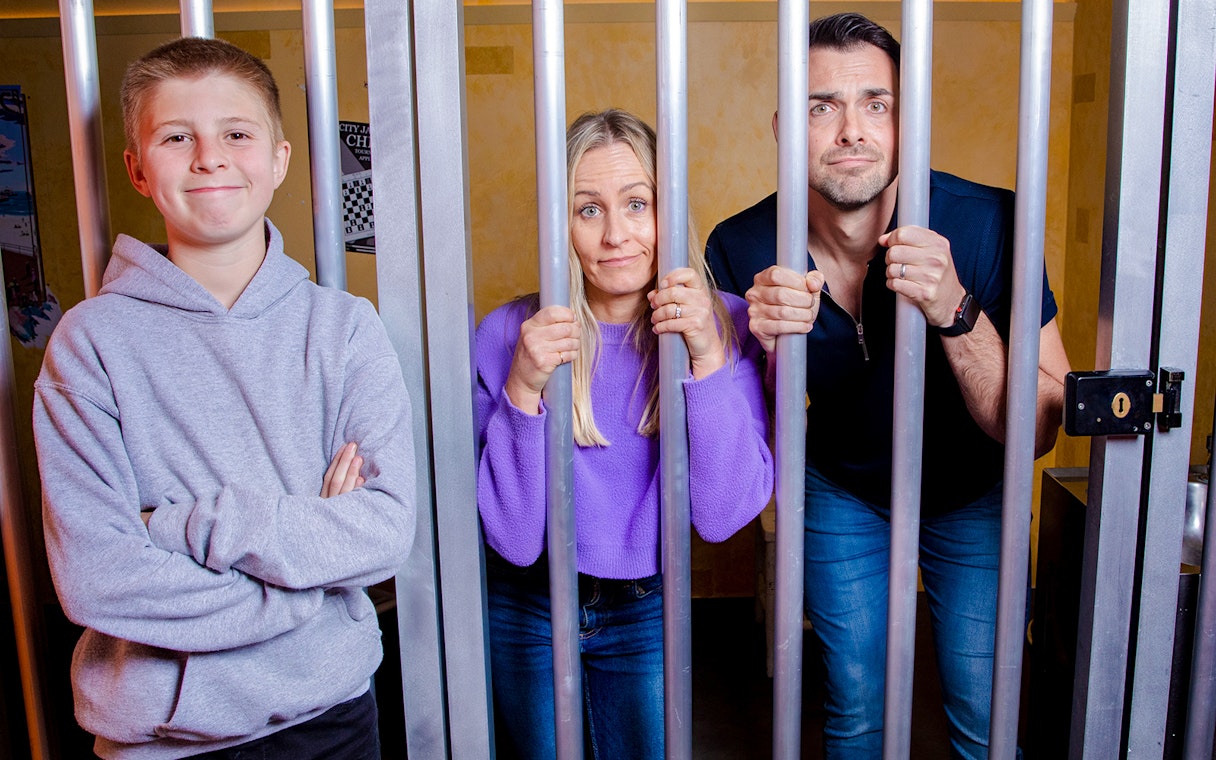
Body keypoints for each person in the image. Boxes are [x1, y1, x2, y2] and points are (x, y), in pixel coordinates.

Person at [32, 37, 415, 760]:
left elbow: (384, 531)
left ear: (278, 159)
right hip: (163, 741)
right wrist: (306, 583)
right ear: (137, 170)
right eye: (178, 137)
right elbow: (97, 580)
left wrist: (175, 527)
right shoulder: (89, 345)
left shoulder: (344, 328)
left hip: (330, 717)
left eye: (236, 134)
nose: (210, 157)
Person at [705, 13, 1071, 759]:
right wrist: (764, 351)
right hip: (839, 486)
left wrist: (956, 310)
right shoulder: (739, 245)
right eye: (821, 106)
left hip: (974, 488)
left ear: (910, 124)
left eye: (877, 104)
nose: (850, 131)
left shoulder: (992, 222)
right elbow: (734, 453)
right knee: (856, 707)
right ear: (784, 127)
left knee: (984, 712)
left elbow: (1038, 429)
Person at [476, 108, 773, 759]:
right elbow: (515, 540)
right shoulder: (508, 335)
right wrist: (524, 390)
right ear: (562, 225)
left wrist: (706, 361)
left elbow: (723, 517)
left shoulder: (727, 326)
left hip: (644, 607)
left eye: (637, 204)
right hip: (525, 604)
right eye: (588, 209)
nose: (615, 234)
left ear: (668, 213)